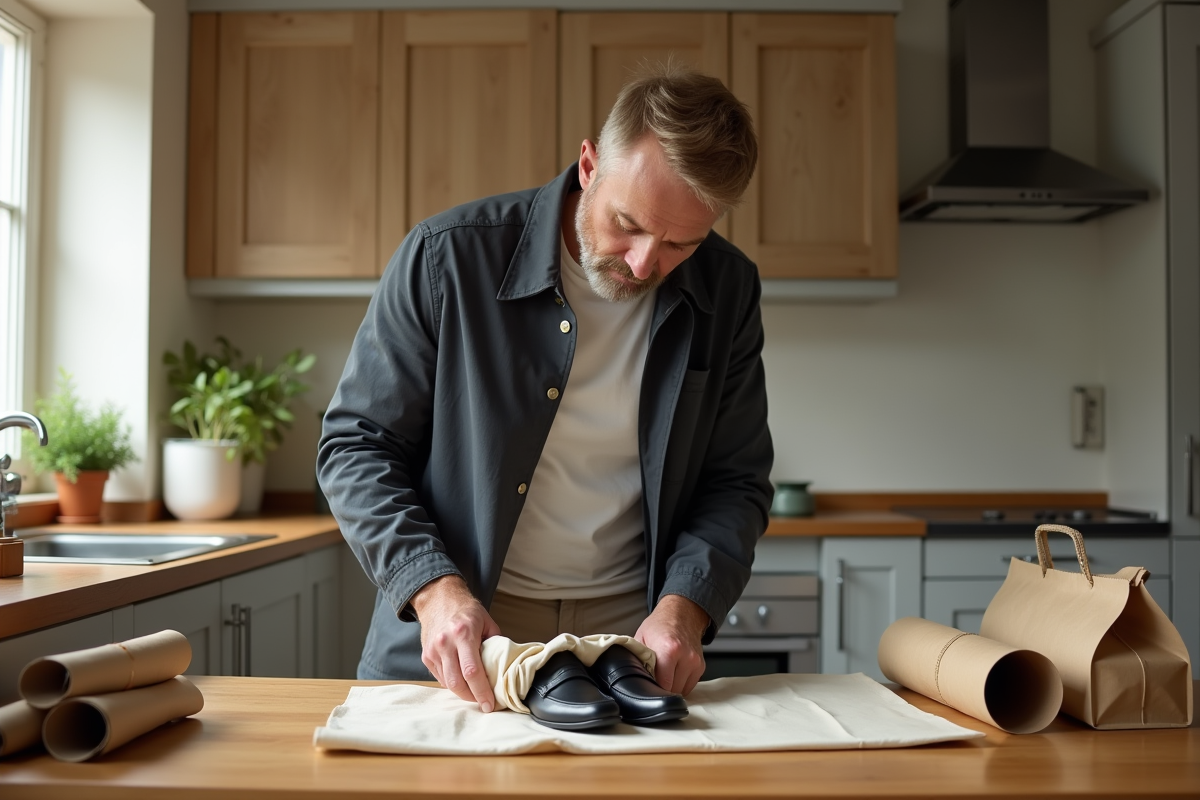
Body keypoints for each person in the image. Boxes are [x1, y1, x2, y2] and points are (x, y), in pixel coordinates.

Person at [317, 62, 773, 715]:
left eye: (680, 244)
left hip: (628, 635)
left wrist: (686, 608)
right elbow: (355, 446)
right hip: (469, 624)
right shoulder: (447, 258)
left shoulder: (728, 288)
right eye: (628, 223)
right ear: (589, 165)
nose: (645, 263)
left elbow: (735, 478)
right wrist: (433, 591)